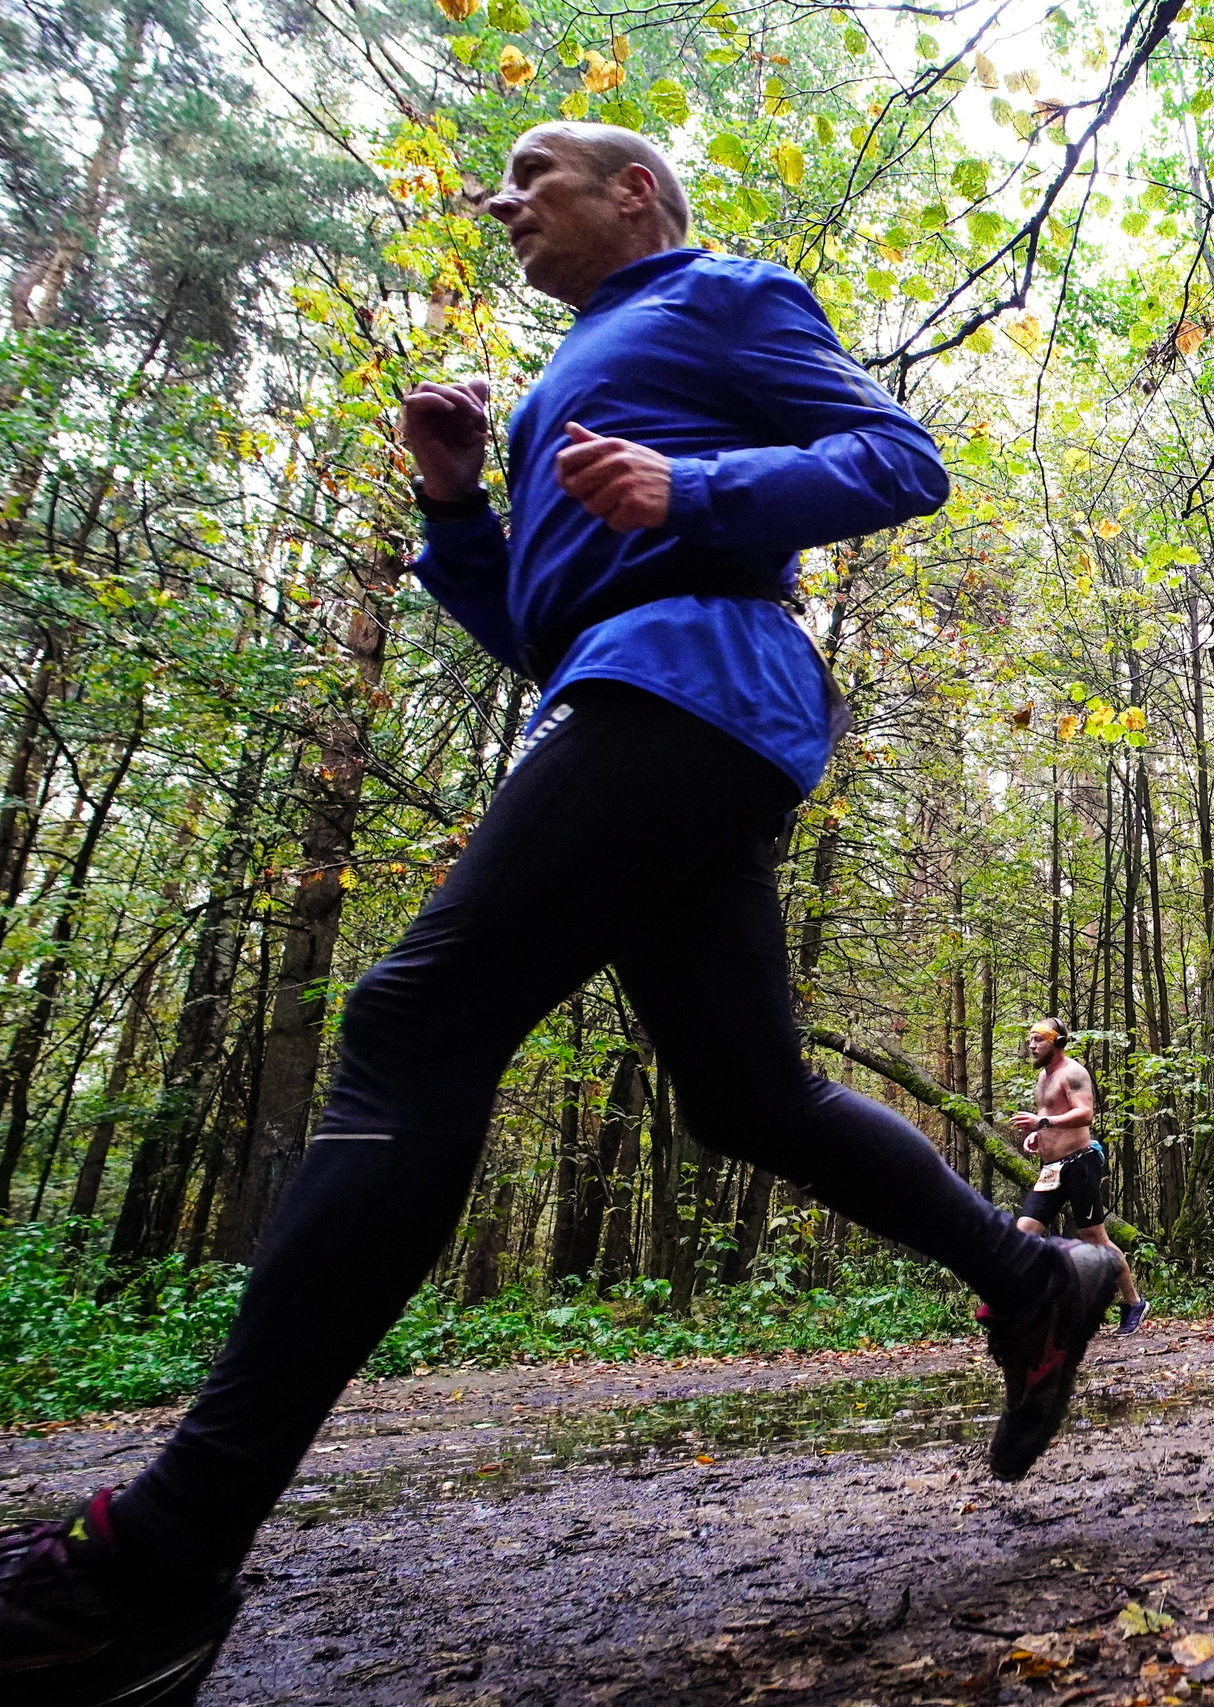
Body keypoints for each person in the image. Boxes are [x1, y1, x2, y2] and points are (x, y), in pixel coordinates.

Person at [0, 122, 1123, 1704]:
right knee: (746, 1095)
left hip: (701, 679)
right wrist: (460, 505)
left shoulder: (723, 294)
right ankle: (1032, 1273)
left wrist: (694, 485)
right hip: (636, 686)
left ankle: (156, 1561)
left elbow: (901, 460)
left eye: (535, 175)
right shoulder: (562, 386)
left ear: (633, 192)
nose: (503, 201)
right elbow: (550, 624)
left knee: (414, 1018)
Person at [1007, 1020, 1148, 1334]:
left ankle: (1133, 1302)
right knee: (1023, 1234)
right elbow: (1049, 1118)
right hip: (1051, 1170)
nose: (1031, 1046)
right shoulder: (1043, 1077)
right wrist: (1037, 1136)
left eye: (1038, 1040)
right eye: (1029, 1040)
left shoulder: (1073, 1072)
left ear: (1057, 1042)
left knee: (1094, 1238)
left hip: (1080, 1163)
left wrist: (1042, 1123)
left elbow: (1085, 1114)